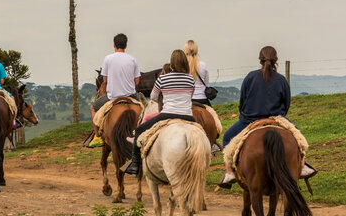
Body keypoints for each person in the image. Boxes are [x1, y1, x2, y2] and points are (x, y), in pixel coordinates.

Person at [217, 46, 316, 188]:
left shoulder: (250, 77)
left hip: (249, 119)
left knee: (227, 137)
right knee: (298, 139)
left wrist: (245, 113)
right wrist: (280, 115)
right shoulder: (281, 80)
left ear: (260, 60)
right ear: (276, 60)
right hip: (276, 118)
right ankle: (302, 166)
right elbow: (286, 103)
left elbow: (242, 100)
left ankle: (229, 172)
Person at [123, 49, 196, 176]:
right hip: (188, 116)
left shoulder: (162, 78)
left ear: (172, 63)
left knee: (139, 130)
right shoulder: (190, 79)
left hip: (167, 114)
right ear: (185, 62)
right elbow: (190, 96)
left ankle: (135, 164)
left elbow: (153, 97)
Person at [184, 40, 212, 106]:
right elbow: (206, 84)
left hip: (187, 99)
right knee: (212, 112)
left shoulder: (182, 66)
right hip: (202, 98)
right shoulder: (203, 65)